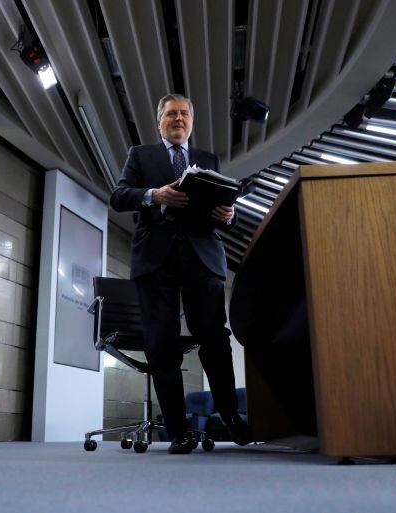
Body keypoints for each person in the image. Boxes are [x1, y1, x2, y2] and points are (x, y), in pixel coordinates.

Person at [110, 93, 251, 454]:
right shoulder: (140, 155)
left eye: (184, 114)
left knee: (215, 338)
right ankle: (177, 430)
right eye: (171, 114)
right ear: (159, 122)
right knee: (162, 342)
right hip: (155, 260)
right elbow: (119, 196)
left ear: (192, 122)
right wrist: (155, 195)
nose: (178, 119)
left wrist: (228, 216)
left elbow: (223, 210)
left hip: (201, 257)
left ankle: (231, 417)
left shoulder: (207, 160)